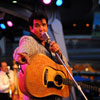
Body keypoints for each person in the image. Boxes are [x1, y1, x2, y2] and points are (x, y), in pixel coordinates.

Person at [13, 11, 72, 100]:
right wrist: (21, 55)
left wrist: (58, 53)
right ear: (31, 28)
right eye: (37, 26)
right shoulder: (30, 40)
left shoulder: (51, 47)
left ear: (47, 27)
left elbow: (66, 68)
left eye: (44, 25)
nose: (41, 29)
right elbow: (24, 47)